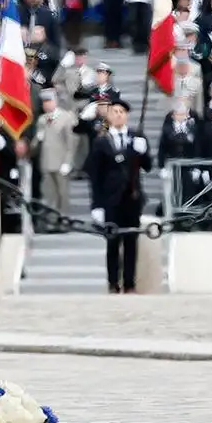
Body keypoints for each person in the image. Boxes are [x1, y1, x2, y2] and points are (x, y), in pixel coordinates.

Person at [89, 96, 150, 293]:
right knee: (113, 243)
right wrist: (96, 205)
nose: (118, 115)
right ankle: (113, 282)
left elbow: (148, 167)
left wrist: (143, 152)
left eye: (121, 112)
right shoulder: (101, 141)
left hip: (131, 198)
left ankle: (130, 283)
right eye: (114, 111)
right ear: (109, 115)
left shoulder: (137, 137)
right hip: (110, 199)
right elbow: (95, 175)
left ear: (127, 115)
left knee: (131, 242)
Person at [33, 89, 78, 226]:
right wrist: (37, 138)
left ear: (55, 101)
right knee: (49, 194)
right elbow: (35, 145)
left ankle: (64, 220)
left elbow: (71, 142)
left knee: (62, 193)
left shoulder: (66, 118)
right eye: (44, 102)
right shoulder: (41, 120)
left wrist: (68, 162)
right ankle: (51, 221)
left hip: (61, 161)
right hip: (46, 162)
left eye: (49, 101)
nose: (47, 105)